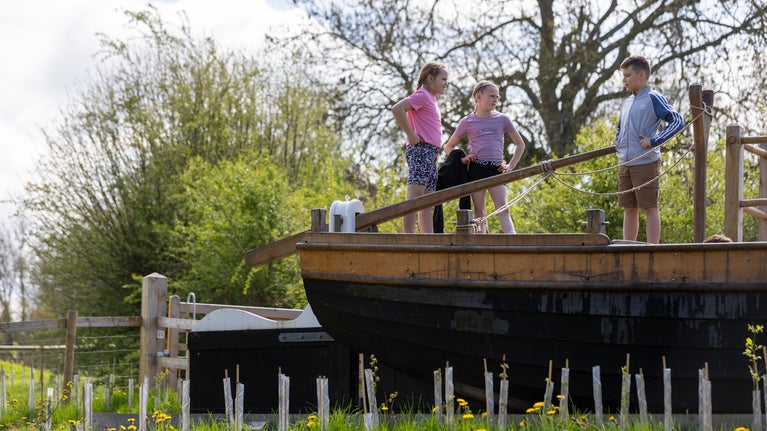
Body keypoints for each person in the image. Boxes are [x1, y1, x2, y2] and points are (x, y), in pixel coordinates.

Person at [613, 55, 684, 244]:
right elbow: (621, 128)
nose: (624, 80)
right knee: (629, 208)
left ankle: (653, 249)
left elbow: (677, 121)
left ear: (641, 75)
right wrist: (617, 139)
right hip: (626, 162)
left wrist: (655, 141)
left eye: (628, 75)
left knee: (650, 207)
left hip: (646, 162)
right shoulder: (627, 102)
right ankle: (628, 247)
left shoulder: (654, 98)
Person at [444, 80, 526, 234]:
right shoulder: (467, 121)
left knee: (503, 208)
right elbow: (448, 147)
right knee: (479, 213)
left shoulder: (503, 119)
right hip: (476, 170)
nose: (495, 100)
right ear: (478, 97)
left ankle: (513, 241)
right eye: (492, 96)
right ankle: (480, 244)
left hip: (496, 169)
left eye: (497, 97)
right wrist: (463, 159)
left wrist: (511, 166)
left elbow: (520, 144)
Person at [392, 61, 449, 233]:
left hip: (431, 152)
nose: (447, 83)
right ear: (431, 78)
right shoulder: (422, 95)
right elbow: (397, 109)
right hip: (421, 150)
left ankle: (427, 238)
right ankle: (408, 237)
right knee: (415, 194)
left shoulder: (431, 98)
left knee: (428, 199)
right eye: (443, 79)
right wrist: (411, 134)